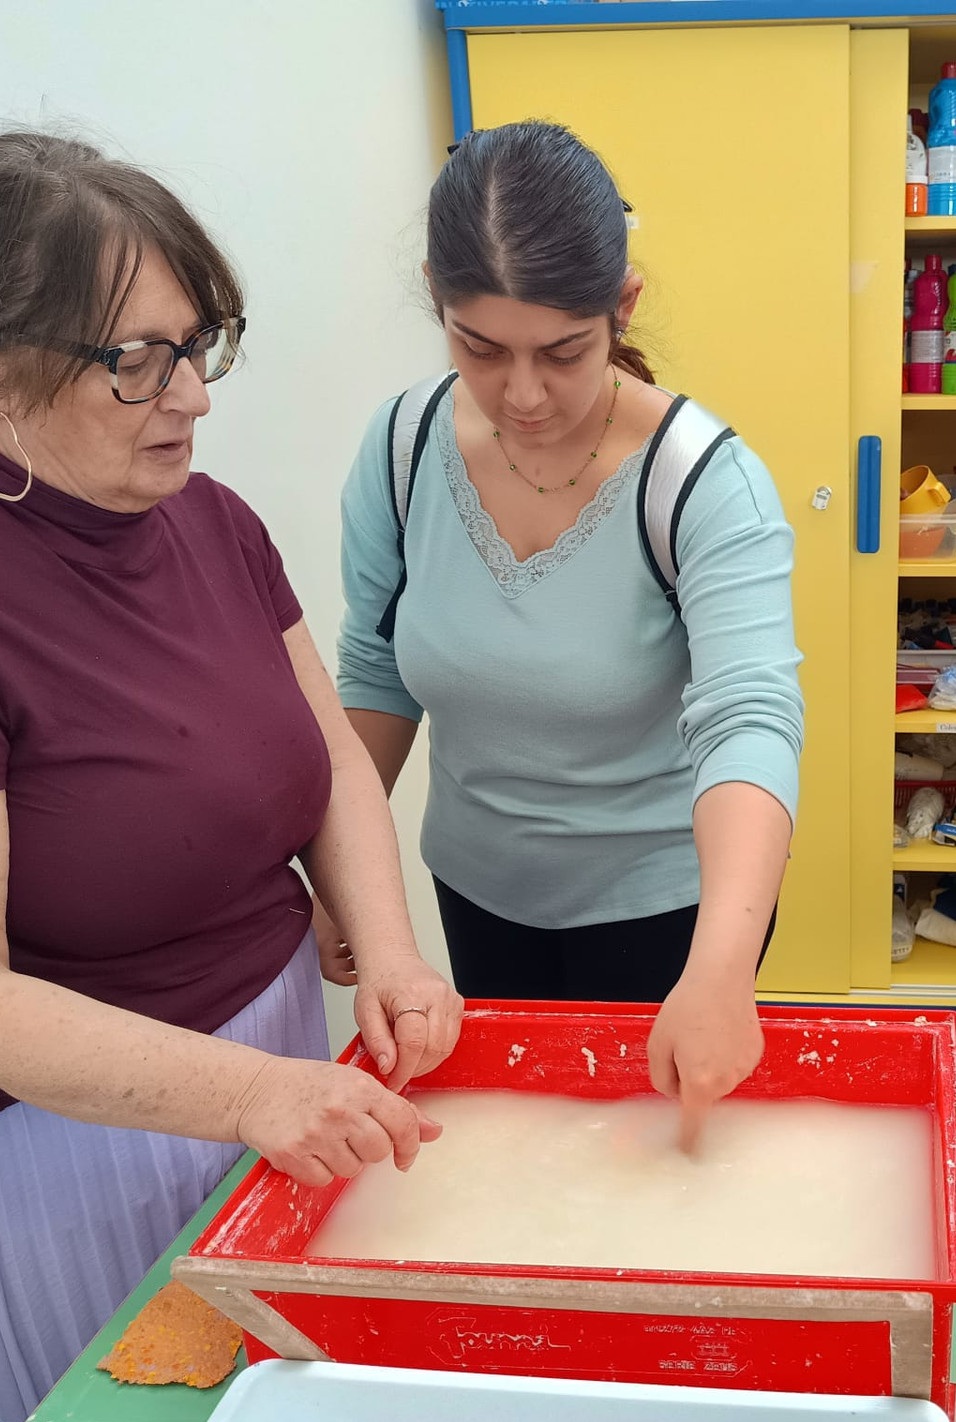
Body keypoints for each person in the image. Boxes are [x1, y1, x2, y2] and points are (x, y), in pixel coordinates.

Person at [0, 132, 461, 1422]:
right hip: (51, 1143)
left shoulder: (210, 520)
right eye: (135, 360)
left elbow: (330, 764)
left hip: (274, 1062)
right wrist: (251, 1095)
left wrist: (392, 953)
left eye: (197, 345)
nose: (191, 398)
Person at [330, 121, 804, 1147]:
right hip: (478, 888)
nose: (524, 394)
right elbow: (374, 669)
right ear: (436, 298)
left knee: (647, 1166)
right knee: (522, 1152)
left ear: (621, 305)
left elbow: (750, 719)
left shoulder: (703, 481)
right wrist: (340, 874)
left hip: (666, 912)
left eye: (563, 352)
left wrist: (721, 971)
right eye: (479, 348)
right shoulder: (403, 448)